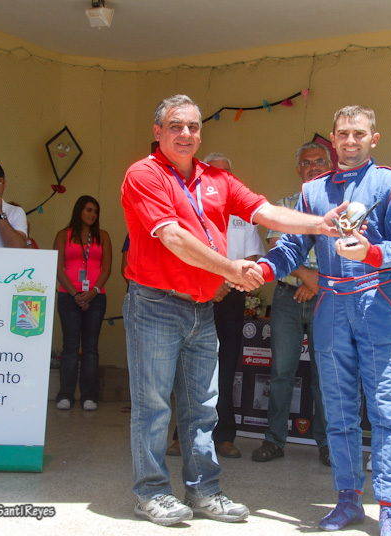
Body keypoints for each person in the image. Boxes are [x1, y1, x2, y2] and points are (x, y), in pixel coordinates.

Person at [121, 94, 343, 527]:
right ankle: (151, 492)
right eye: (175, 126)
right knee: (154, 406)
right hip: (155, 304)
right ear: (158, 131)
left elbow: (266, 212)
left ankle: (204, 490)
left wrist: (320, 224)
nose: (186, 134)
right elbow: (173, 238)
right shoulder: (144, 174)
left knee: (203, 405)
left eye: (193, 126)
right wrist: (231, 270)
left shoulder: (216, 178)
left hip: (202, 307)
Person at [258, 105, 391, 536]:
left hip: (378, 301)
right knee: (338, 410)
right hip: (331, 303)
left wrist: (372, 252)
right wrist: (264, 269)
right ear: (333, 139)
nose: (350, 141)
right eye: (343, 134)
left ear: (374, 138)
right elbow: (292, 248)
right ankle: (348, 499)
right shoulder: (313, 191)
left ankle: (390, 508)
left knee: (388, 410)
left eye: (359, 133)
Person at [165, 152, 266, 459]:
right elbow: (180, 252)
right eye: (214, 173)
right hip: (193, 295)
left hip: (230, 295)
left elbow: (252, 258)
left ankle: (223, 436)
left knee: (226, 367)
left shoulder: (243, 215)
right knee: (189, 368)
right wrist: (209, 284)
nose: (220, 179)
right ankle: (182, 436)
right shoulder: (190, 208)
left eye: (226, 174)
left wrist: (227, 283)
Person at [251, 141, 331, 467]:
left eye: (319, 161)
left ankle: (328, 445)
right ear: (299, 170)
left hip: (327, 299)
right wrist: (308, 277)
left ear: (329, 167)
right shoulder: (283, 206)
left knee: (325, 375)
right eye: (307, 163)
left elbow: (348, 254)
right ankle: (274, 441)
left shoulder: (340, 211)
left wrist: (317, 284)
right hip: (287, 297)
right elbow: (276, 249)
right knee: (281, 372)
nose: (313, 167)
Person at [54, 195, 112, 411]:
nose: (92, 214)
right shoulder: (64, 234)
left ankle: (89, 396)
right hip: (68, 295)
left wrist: (92, 292)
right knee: (70, 346)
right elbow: (58, 268)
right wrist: (76, 295)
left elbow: (106, 268)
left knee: (90, 347)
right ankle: (66, 395)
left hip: (96, 296)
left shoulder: (103, 236)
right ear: (79, 210)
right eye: (88, 210)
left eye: (95, 211)